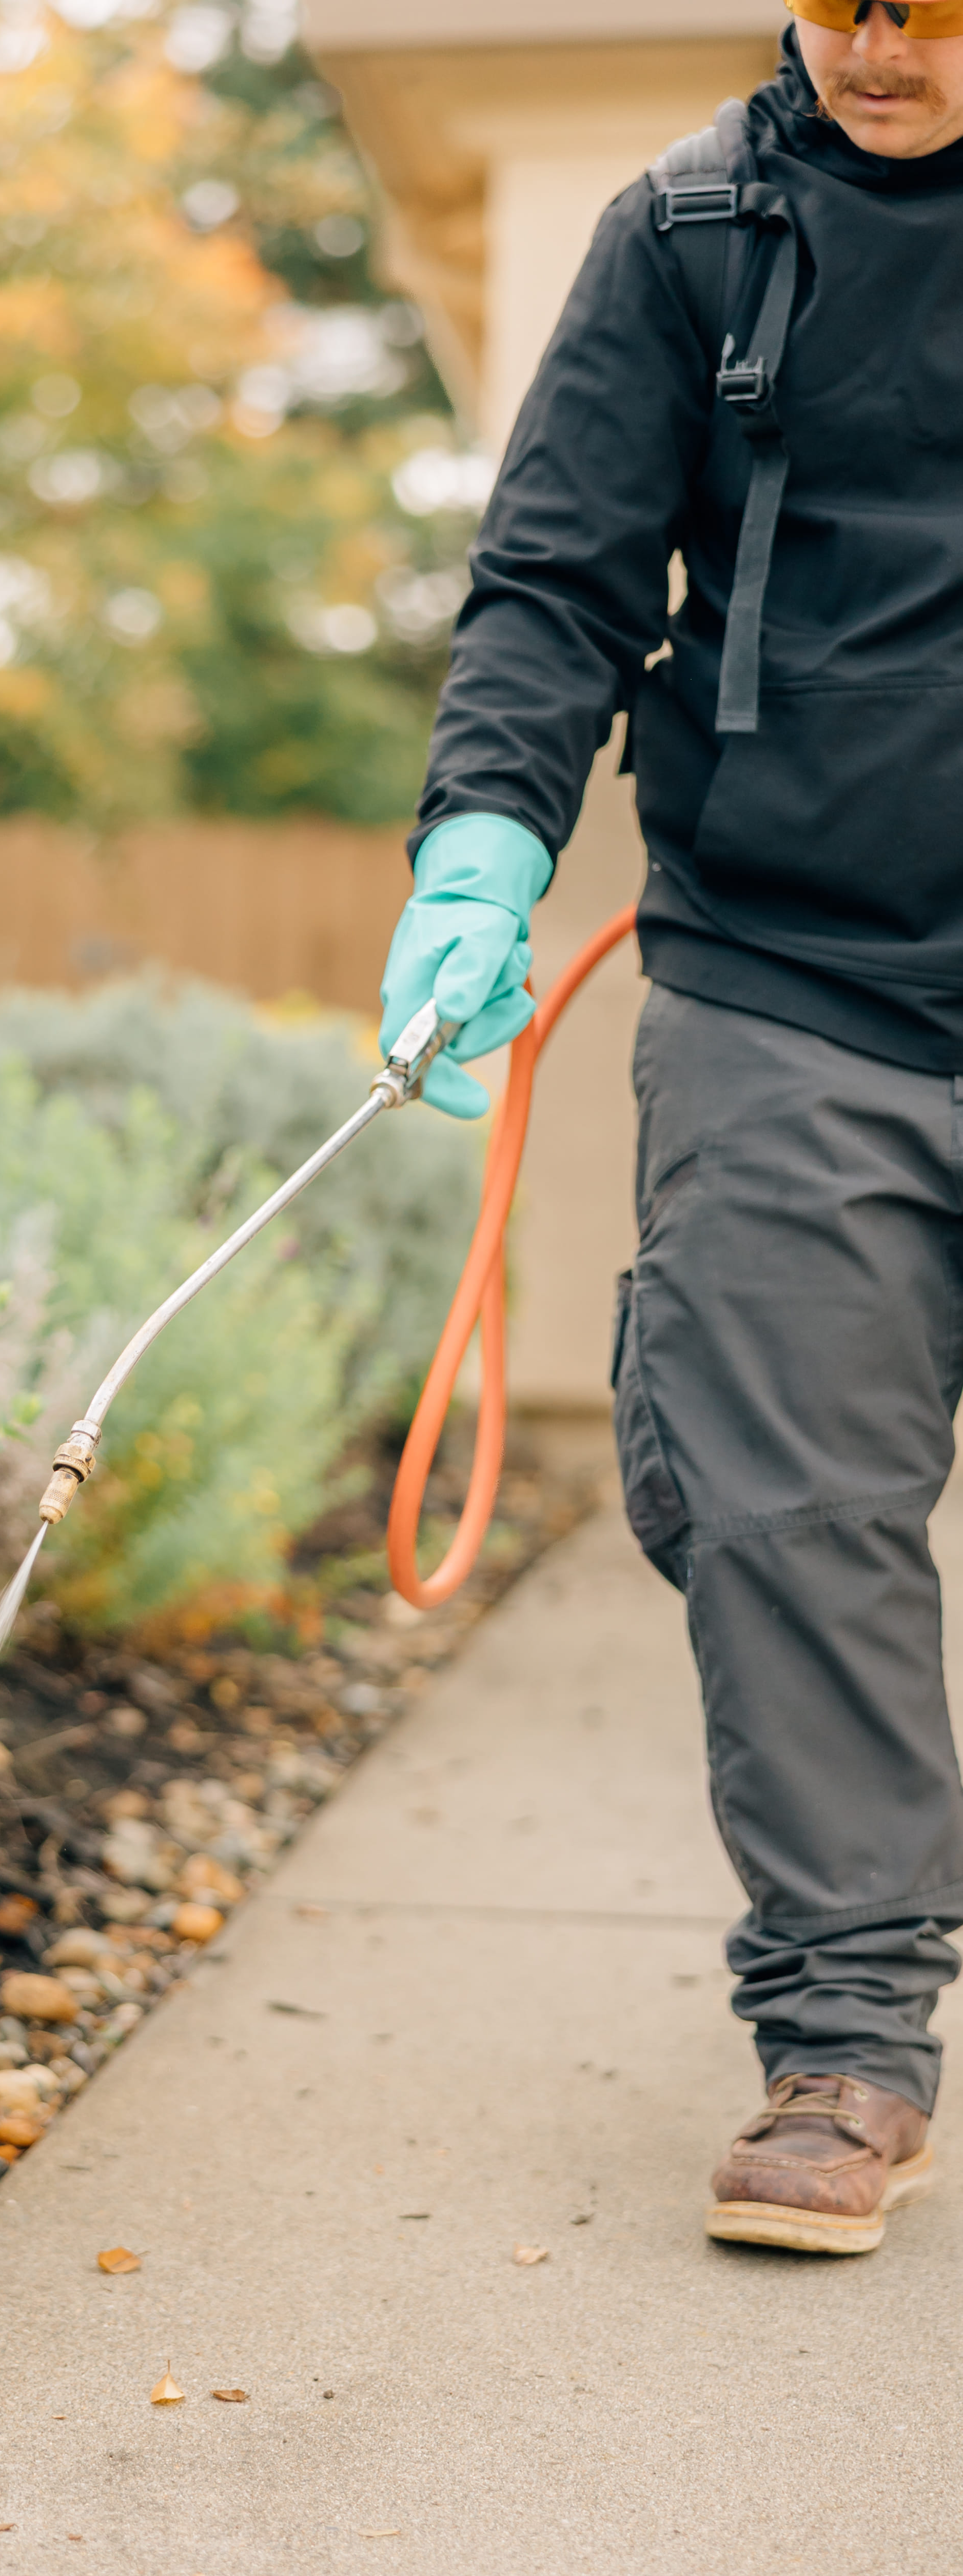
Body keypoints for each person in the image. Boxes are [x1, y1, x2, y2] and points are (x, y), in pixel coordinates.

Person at [380, 0, 963, 2256]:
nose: (880, 51)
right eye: (841, 5)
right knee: (787, 1506)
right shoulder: (694, 236)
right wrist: (485, 848)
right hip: (787, 980)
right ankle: (846, 2043)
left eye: (928, 7)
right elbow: (558, 581)